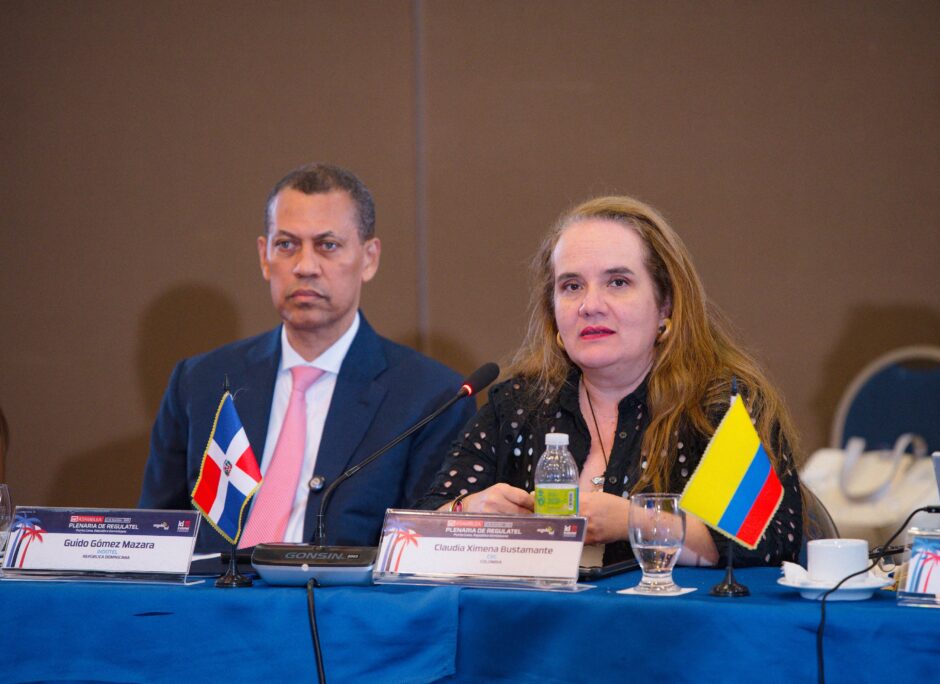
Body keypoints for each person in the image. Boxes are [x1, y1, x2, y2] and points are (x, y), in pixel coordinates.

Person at [417, 196, 802, 567]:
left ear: (665, 304)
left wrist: (634, 522)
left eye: (617, 282)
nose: (590, 305)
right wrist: (466, 510)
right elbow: (419, 528)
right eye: (571, 286)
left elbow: (768, 540)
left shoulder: (718, 405)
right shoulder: (518, 406)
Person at [139, 163, 474, 553]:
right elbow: (154, 540)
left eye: (327, 245)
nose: (305, 266)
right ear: (264, 256)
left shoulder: (430, 398)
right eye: (286, 245)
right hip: (215, 591)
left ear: (369, 258)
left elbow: (420, 556)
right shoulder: (200, 381)